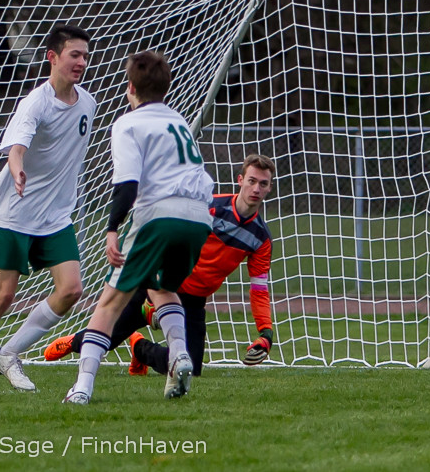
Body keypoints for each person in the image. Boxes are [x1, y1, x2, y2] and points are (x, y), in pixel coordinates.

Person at [0, 25, 97, 392]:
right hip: (17, 212)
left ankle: (9, 354)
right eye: (74, 55)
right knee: (3, 296)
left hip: (56, 216)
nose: (81, 62)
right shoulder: (35, 103)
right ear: (52, 57)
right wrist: (17, 171)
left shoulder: (89, 103)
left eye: (85, 56)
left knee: (71, 289)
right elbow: (16, 148)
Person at [63, 50, 214, 404]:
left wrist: (112, 228)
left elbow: (127, 184)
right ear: (166, 88)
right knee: (161, 287)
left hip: (160, 214)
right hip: (200, 217)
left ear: (130, 87)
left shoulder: (128, 123)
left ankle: (82, 388)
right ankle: (179, 353)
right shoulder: (178, 120)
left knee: (109, 302)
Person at [44, 154, 276, 377]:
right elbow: (168, 233)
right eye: (251, 181)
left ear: (269, 188)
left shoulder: (261, 238)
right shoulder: (209, 206)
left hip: (194, 300)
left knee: (190, 367)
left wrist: (265, 333)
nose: (256, 189)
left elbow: (259, 290)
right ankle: (73, 342)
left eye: (263, 184)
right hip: (160, 284)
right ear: (240, 180)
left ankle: (139, 349)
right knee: (106, 338)